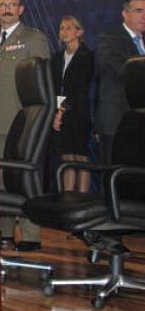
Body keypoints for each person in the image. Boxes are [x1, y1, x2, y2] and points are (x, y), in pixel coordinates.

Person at [0, 0, 50, 251]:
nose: (7, 8)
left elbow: (44, 80)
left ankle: (31, 234)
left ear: (21, 9)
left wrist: (50, 112)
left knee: (25, 178)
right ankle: (6, 232)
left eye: (12, 4)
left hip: (25, 121)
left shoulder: (33, 38)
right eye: (2, 5)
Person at [96, 0, 145, 164]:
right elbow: (122, 68)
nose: (143, 16)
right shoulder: (109, 38)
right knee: (114, 176)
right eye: (139, 11)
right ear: (125, 14)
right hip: (116, 121)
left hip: (141, 122)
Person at [50, 16, 94, 192]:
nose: (64, 31)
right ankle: (67, 198)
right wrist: (56, 111)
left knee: (80, 157)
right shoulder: (57, 58)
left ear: (79, 32)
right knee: (67, 157)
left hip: (79, 112)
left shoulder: (86, 56)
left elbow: (79, 88)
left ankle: (83, 199)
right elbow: (54, 86)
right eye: (61, 28)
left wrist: (61, 112)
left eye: (69, 27)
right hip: (60, 112)